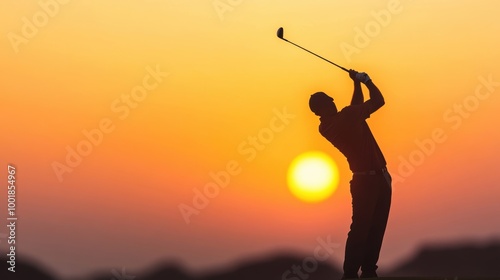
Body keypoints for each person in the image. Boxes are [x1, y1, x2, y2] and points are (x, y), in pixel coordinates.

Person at [309, 70, 392, 279]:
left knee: (369, 228)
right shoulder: (346, 116)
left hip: (373, 178)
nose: (333, 99)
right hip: (368, 181)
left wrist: (356, 85)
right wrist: (367, 81)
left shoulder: (327, 126)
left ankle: (364, 273)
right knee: (366, 229)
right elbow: (379, 100)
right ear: (323, 107)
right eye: (329, 99)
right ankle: (354, 274)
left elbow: (354, 108)